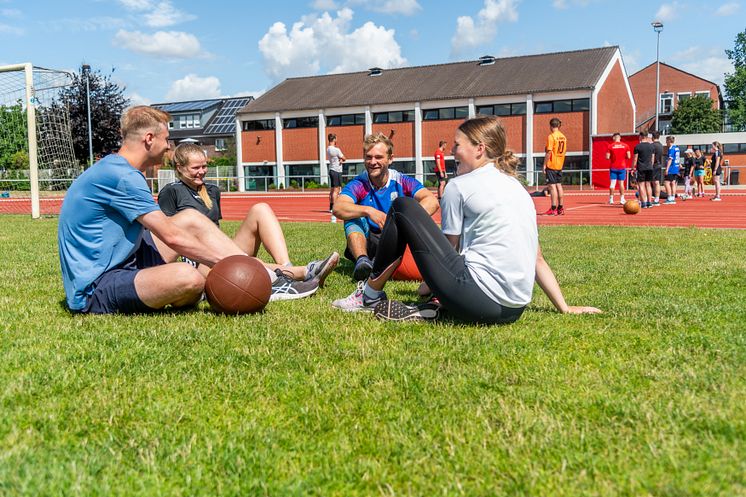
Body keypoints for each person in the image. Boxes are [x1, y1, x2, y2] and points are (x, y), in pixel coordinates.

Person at [331, 115, 601, 322]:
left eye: (458, 145)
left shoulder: (459, 186)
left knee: (401, 206)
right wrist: (564, 307)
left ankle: (369, 295)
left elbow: (449, 251)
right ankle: (427, 309)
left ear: (479, 149)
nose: (452, 152)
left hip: (476, 301)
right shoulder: (518, 188)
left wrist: (429, 286)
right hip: (513, 310)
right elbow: (537, 258)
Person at [58, 106, 245, 314]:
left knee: (191, 218)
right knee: (188, 277)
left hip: (128, 259)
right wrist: (224, 265)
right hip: (96, 286)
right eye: (166, 139)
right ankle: (248, 275)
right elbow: (171, 237)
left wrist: (233, 265)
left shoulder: (116, 168)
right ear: (149, 139)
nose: (168, 147)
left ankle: (264, 276)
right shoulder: (123, 177)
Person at [158, 143, 338, 300]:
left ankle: (286, 268)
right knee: (218, 257)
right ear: (180, 168)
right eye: (195, 168)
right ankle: (302, 273)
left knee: (261, 208)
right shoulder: (171, 192)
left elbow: (216, 230)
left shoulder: (212, 190)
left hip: (221, 252)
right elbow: (168, 236)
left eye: (204, 166)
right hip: (198, 263)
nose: (202, 172)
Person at [332, 132, 439, 281]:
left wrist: (404, 221)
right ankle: (362, 261)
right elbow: (338, 207)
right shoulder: (359, 183)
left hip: (397, 240)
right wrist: (369, 211)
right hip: (371, 239)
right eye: (368, 157)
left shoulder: (402, 181)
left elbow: (431, 201)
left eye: (378, 157)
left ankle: (379, 263)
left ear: (390, 159)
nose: (372, 161)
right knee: (353, 216)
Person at [542, 117, 567, 215]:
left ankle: (553, 208)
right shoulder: (563, 137)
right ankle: (560, 207)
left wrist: (544, 165)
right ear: (559, 125)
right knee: (559, 185)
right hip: (560, 164)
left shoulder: (551, 136)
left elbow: (549, 152)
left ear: (550, 126)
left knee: (552, 187)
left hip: (552, 164)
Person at [632, 131, 656, 209]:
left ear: (641, 136)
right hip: (649, 167)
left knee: (641, 185)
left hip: (641, 168)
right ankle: (649, 202)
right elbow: (653, 159)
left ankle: (643, 203)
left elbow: (635, 159)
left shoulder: (638, 146)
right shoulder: (652, 146)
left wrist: (633, 168)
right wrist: (650, 166)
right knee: (648, 185)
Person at [606, 132, 630, 205]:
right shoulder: (626, 146)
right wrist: (623, 157)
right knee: (621, 184)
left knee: (612, 184)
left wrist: (613, 157)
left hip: (613, 167)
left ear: (614, 138)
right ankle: (622, 199)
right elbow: (629, 156)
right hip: (622, 167)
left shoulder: (610, 146)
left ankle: (611, 199)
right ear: (620, 138)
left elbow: (607, 157)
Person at [327, 133, 346, 222]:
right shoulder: (336, 149)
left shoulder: (328, 149)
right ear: (334, 139)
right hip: (336, 171)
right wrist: (342, 159)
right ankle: (334, 209)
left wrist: (340, 159)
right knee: (336, 190)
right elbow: (344, 158)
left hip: (332, 170)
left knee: (332, 190)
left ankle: (331, 207)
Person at [663, 135, 681, 204]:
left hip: (671, 167)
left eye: (666, 141)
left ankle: (669, 197)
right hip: (676, 167)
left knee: (666, 182)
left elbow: (670, 159)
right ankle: (673, 197)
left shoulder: (671, 149)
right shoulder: (677, 148)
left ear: (669, 141)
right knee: (673, 182)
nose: (666, 142)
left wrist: (667, 169)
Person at [651, 130, 664, 205]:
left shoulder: (652, 145)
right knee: (657, 182)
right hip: (659, 165)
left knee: (652, 182)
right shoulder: (661, 145)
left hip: (653, 165)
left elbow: (652, 157)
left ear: (652, 137)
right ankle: (656, 198)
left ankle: (651, 198)